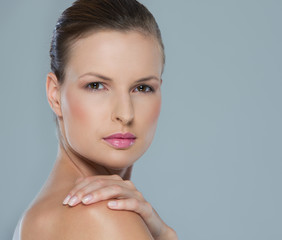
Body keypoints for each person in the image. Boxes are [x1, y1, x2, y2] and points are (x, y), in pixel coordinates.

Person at [13, 0, 177, 239]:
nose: (125, 113)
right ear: (55, 95)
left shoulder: (36, 217)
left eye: (142, 88)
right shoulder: (106, 217)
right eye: (96, 85)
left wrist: (163, 234)